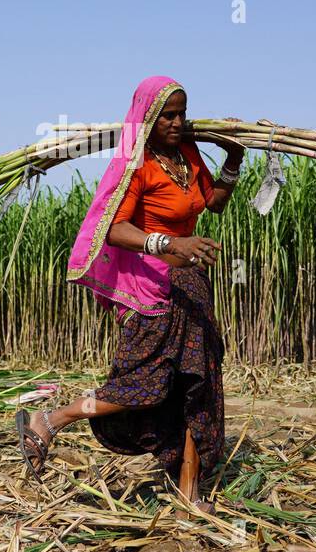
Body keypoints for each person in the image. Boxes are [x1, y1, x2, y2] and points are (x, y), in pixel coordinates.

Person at [16, 77, 245, 515]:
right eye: (168, 116)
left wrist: (233, 159)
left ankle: (188, 492)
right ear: (147, 118)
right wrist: (169, 244)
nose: (178, 123)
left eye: (182, 114)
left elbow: (213, 202)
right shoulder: (135, 164)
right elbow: (114, 229)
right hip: (150, 291)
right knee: (144, 387)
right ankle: (56, 417)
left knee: (196, 386)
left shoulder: (186, 155)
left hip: (191, 286)